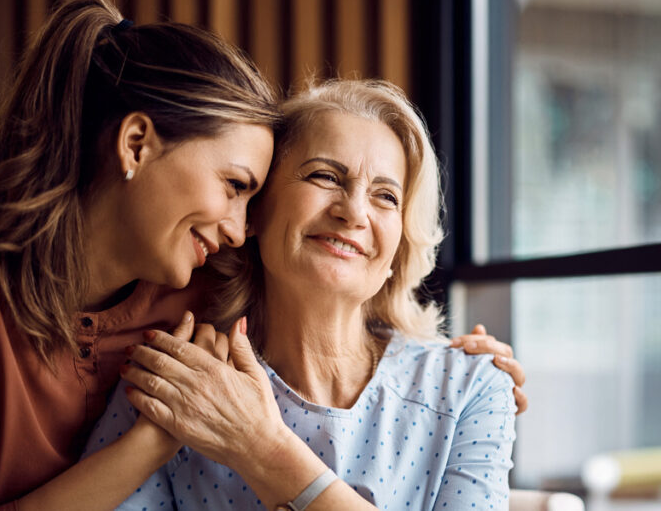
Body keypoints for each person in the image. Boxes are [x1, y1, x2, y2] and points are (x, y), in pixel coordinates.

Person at [0, 0, 524, 510]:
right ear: (135, 145)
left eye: (386, 196)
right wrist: (158, 439)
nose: (239, 228)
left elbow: (332, 291)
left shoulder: (198, 290)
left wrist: (466, 368)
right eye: (237, 187)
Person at [86, 80, 518, 510]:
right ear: (256, 210)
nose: (353, 212)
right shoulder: (178, 377)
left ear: (398, 249)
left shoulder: (470, 389)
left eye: (385, 196)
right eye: (325, 176)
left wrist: (261, 447)